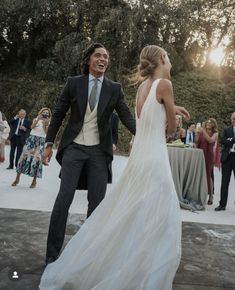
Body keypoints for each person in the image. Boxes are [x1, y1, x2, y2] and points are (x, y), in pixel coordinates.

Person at [39, 45, 188, 290]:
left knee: (98, 207)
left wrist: (151, 130)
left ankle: (90, 259)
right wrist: (48, 143)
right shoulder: (73, 83)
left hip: (99, 152)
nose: (103, 59)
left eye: (106, 57)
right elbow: (58, 113)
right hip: (74, 148)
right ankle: (52, 255)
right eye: (98, 55)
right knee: (63, 199)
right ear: (88, 59)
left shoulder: (115, 88)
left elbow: (132, 117)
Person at [11, 108, 51, 188]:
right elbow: (32, 127)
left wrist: (44, 124)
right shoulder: (36, 119)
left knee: (37, 160)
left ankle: (34, 181)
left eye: (47, 113)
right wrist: (38, 119)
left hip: (41, 141)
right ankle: (17, 178)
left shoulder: (49, 122)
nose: (45, 114)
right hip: (31, 139)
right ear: (41, 113)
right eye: (44, 112)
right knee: (23, 157)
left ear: (48, 115)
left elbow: (47, 133)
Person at [215, 112, 235, 211]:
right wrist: (231, 141)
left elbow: (226, 141)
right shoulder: (227, 129)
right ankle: (222, 205)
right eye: (232, 118)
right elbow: (222, 141)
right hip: (227, 158)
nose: (233, 120)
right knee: (224, 183)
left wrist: (230, 140)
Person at [196, 119, 218, 205]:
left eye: (210, 122)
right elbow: (196, 141)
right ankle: (199, 195)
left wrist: (203, 130)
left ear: (213, 125)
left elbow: (210, 140)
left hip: (209, 156)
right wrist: (197, 134)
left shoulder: (215, 133)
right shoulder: (201, 131)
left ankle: (211, 196)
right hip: (200, 154)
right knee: (199, 175)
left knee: (208, 175)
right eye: (207, 122)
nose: (208, 123)